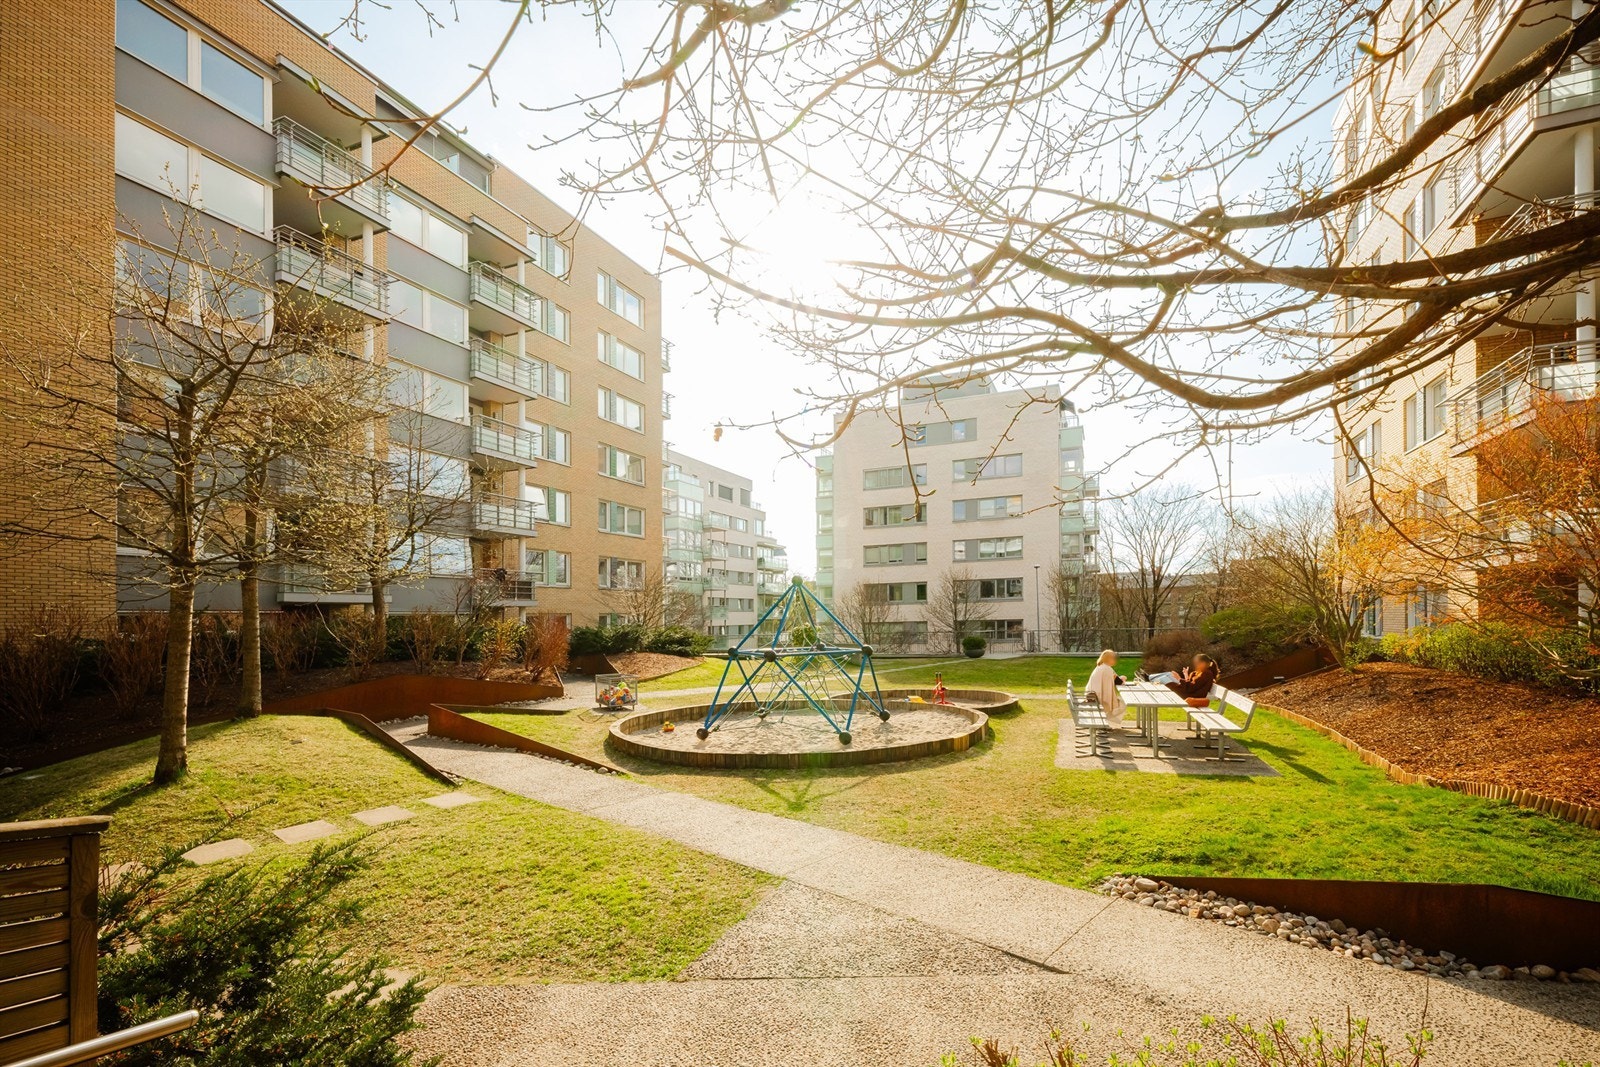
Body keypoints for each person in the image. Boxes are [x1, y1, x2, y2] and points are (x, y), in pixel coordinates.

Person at [1142, 653, 1219, 701]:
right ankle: (1149, 677)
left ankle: (1149, 680)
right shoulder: (1202, 672)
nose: (1195, 664)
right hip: (1187, 691)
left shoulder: (1206, 673)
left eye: (1197, 663)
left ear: (1203, 663)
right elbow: (1193, 685)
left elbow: (1191, 687)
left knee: (1164, 678)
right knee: (1169, 674)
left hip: (1189, 695)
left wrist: (1179, 678)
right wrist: (1186, 675)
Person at [1083, 649, 1127, 726]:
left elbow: (1114, 680)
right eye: (1113, 658)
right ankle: (1104, 721)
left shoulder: (1101, 666)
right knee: (1123, 702)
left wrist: (1120, 679)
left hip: (1092, 695)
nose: (1115, 660)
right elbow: (1116, 682)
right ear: (1108, 659)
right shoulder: (1107, 669)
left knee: (1121, 702)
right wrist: (1122, 679)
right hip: (1097, 697)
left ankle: (1104, 721)